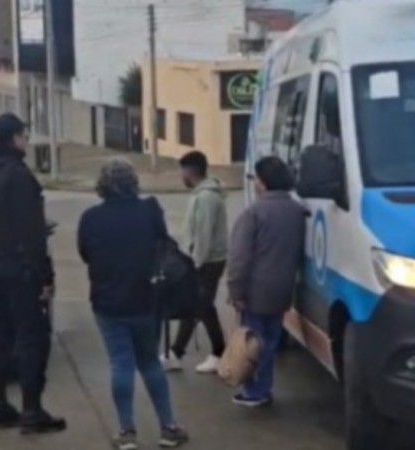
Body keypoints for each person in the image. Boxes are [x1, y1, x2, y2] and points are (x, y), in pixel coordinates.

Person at [78, 158, 189, 449]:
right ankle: (168, 427)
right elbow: (163, 247)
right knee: (150, 362)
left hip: (107, 302)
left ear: (102, 185)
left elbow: (86, 254)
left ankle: (127, 432)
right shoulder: (150, 211)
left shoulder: (90, 218)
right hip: (146, 299)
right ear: (133, 182)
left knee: (120, 363)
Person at [0, 112, 65, 434]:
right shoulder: (20, 177)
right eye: (23, 135)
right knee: (31, 338)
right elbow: (33, 233)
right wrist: (45, 277)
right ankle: (31, 410)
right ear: (14, 139)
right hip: (21, 269)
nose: (26, 140)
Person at [228, 156, 306, 407]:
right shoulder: (297, 211)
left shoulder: (255, 213)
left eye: (255, 179)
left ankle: (255, 391)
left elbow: (240, 258)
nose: (253, 184)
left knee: (252, 343)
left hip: (254, 290)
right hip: (283, 288)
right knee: (270, 341)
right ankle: (264, 387)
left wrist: (235, 290)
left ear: (263, 182)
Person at [164, 151, 228, 374]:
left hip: (207, 262)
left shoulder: (206, 198)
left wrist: (194, 263)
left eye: (181, 170)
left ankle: (214, 352)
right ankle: (178, 353)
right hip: (205, 261)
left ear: (190, 171)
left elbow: (203, 235)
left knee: (199, 305)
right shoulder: (201, 195)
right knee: (200, 305)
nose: (180, 176)